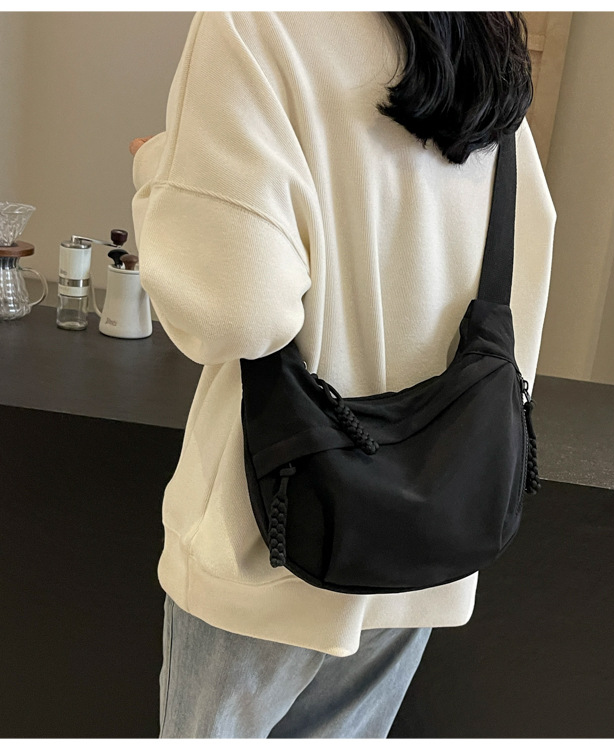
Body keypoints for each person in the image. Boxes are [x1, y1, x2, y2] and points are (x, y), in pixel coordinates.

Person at [130, 11, 555, 739]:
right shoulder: (477, 39)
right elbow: (524, 261)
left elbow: (235, 311)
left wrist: (158, 172)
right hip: (431, 536)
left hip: (267, 539)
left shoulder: (253, 25)